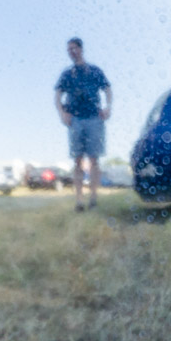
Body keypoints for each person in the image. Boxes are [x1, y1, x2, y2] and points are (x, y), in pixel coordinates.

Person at [54, 37, 112, 211]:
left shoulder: (94, 71)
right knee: (77, 160)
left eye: (73, 48)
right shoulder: (66, 74)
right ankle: (79, 201)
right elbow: (57, 95)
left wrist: (108, 107)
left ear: (81, 49)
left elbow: (107, 89)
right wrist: (62, 113)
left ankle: (93, 198)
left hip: (94, 118)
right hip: (75, 120)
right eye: (68, 50)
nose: (71, 52)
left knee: (94, 159)